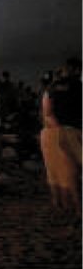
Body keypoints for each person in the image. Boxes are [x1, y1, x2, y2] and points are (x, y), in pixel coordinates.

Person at [40, 58, 81, 213]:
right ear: (76, 70)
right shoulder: (78, 86)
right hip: (71, 132)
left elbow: (46, 112)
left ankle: (60, 207)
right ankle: (78, 209)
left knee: (54, 174)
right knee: (71, 174)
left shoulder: (50, 88)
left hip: (49, 133)